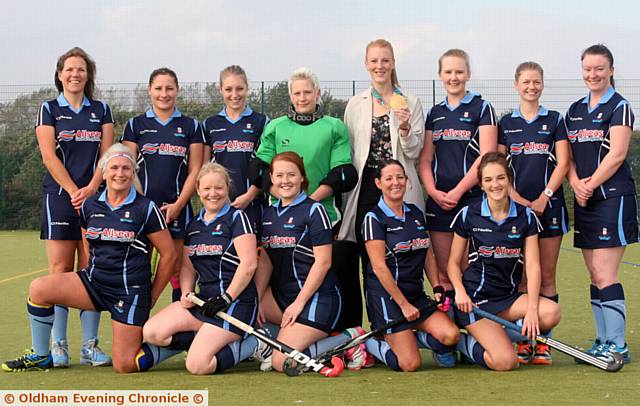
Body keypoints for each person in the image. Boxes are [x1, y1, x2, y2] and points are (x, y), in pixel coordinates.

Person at [2, 144, 177, 373]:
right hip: (94, 285)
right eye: (114, 167)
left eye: (126, 168)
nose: (119, 173)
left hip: (128, 291)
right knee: (39, 289)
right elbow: (88, 245)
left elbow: (170, 254)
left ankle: (184, 342)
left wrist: (152, 295)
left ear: (133, 173)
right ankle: (41, 355)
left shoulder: (146, 208)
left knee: (124, 364)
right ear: (103, 172)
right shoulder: (90, 205)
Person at [251, 67, 358, 330]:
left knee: (329, 277)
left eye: (307, 92)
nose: (302, 97)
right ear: (290, 95)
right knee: (282, 276)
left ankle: (346, 336)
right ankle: (282, 332)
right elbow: (257, 169)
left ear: (317, 93)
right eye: (297, 93)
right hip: (282, 217)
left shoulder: (334, 127)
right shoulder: (275, 127)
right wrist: (285, 196)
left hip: (323, 216)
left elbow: (342, 172)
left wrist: (306, 202)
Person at [142, 163, 271, 374]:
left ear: (227, 188)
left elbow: (249, 264)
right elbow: (187, 267)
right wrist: (186, 291)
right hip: (204, 302)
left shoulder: (238, 218)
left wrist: (226, 298)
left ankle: (257, 344)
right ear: (198, 190)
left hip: (235, 304)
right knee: (153, 333)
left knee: (198, 365)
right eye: (207, 188)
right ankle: (206, 336)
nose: (213, 194)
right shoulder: (194, 225)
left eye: (219, 188)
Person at [34, 47, 115, 368]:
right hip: (59, 197)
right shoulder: (49, 108)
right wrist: (72, 190)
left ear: (88, 75)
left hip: (95, 198)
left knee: (91, 268)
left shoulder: (102, 109)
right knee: (60, 272)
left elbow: (107, 155)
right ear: (60, 74)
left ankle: (90, 346)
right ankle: (59, 344)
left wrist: (92, 188)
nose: (75, 74)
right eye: (69, 69)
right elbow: (48, 156)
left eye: (81, 69)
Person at [338, 39, 426, 327]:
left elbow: (414, 151)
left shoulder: (410, 101)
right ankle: (376, 329)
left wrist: (403, 127)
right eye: (374, 61)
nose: (380, 66)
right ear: (366, 64)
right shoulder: (355, 104)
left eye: (385, 60)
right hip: (365, 195)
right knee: (370, 265)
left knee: (407, 258)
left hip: (401, 193)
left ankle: (408, 323)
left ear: (393, 63)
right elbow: (351, 153)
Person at [448, 152, 560, 371]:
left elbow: (533, 266)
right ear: (480, 184)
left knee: (550, 313)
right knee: (505, 362)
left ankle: (496, 334)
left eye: (500, 178)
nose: (495, 185)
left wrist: (532, 309)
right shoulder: (468, 215)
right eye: (488, 180)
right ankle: (463, 343)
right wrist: (460, 292)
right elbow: (452, 263)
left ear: (509, 179)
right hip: (475, 301)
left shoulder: (525, 216)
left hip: (508, 299)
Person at [566, 44, 636, 363]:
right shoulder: (575, 110)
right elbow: (566, 156)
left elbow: (617, 154)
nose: (592, 74)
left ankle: (618, 345)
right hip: (586, 199)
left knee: (606, 273)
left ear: (611, 70)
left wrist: (590, 184)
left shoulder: (620, 107)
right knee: (594, 274)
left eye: (599, 69)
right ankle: (602, 342)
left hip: (612, 198)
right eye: (587, 69)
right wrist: (575, 183)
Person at [255, 152, 355, 373]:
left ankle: (349, 340)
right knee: (245, 310)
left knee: (282, 363)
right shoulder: (269, 214)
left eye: (291, 174)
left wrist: (299, 304)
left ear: (302, 178)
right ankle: (284, 342)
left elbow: (323, 263)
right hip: (283, 297)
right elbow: (265, 262)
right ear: (271, 178)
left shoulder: (314, 210)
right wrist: (258, 298)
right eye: (279, 175)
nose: (285, 180)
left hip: (317, 298)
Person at [497, 61, 570, 364]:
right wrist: (514, 198)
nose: (531, 87)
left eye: (536, 82)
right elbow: (499, 166)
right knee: (523, 279)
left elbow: (563, 163)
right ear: (516, 84)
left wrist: (544, 197)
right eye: (526, 82)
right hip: (516, 211)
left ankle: (543, 342)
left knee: (548, 276)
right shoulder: (506, 123)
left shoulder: (554, 120)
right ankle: (523, 338)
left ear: (542, 84)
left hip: (548, 208)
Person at [359, 160, 459, 371]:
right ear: (378, 183)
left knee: (451, 336)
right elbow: (379, 268)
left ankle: (410, 337)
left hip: (416, 296)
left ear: (406, 180)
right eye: (388, 178)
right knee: (409, 364)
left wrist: (437, 287)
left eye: (399, 177)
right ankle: (366, 341)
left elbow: (427, 254)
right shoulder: (373, 218)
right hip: (388, 299)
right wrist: (403, 305)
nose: (395, 183)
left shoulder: (415, 212)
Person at [419, 49, 497, 303]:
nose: (454, 77)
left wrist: (458, 192)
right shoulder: (434, 112)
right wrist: (433, 192)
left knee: (468, 269)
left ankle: (477, 329)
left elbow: (486, 157)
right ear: (440, 75)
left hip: (470, 199)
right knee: (443, 272)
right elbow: (426, 158)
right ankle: (451, 334)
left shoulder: (482, 108)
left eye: (459, 72)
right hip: (439, 200)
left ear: (468, 74)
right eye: (449, 72)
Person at [122, 67, 204, 302]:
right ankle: (139, 322)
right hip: (143, 211)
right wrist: (142, 207)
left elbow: (196, 170)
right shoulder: (135, 125)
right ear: (150, 90)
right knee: (140, 269)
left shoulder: (191, 126)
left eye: (169, 88)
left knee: (176, 270)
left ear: (177, 90)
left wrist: (178, 205)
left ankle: (179, 330)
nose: (164, 94)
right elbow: (128, 170)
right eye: (158, 88)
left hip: (176, 210)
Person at [202, 65, 269, 235]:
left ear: (247, 88)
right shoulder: (210, 124)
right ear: (221, 90)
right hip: (219, 204)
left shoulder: (261, 122)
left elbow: (268, 165)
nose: (234, 95)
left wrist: (250, 196)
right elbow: (204, 169)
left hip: (252, 203)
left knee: (254, 257)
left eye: (239, 88)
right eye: (228, 89)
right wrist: (215, 197)